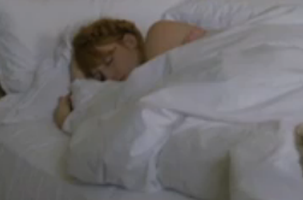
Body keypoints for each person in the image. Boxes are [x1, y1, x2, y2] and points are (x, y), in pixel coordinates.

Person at [54, 18, 207, 129]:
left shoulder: (158, 35)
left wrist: (68, 122)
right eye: (100, 77)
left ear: (130, 42)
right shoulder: (124, 92)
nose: (109, 77)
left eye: (109, 61)